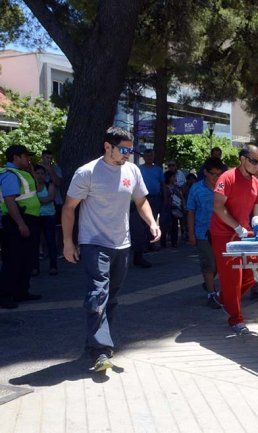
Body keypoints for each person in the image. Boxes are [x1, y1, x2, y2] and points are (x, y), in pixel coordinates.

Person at [62, 127, 161, 372]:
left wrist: (152, 222)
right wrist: (67, 242)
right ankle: (101, 350)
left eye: (130, 149)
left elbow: (141, 200)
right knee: (98, 294)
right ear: (108, 146)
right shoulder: (87, 173)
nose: (128, 154)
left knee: (110, 297)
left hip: (122, 244)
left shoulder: (132, 170)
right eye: (124, 149)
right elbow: (68, 208)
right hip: (94, 242)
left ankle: (95, 341)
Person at [210, 144, 258, 335]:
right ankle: (236, 319)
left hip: (244, 234)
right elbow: (218, 207)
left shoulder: (256, 183)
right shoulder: (226, 178)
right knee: (232, 279)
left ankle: (223, 297)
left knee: (253, 273)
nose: (257, 166)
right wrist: (236, 226)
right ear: (242, 159)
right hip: (224, 234)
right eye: (253, 161)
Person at [0, 145, 42, 309]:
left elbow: (37, 189)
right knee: (13, 260)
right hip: (18, 221)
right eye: (25, 156)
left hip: (27, 220)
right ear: (15, 157)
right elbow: (10, 201)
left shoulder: (23, 173)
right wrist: (21, 224)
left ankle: (21, 292)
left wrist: (32, 171)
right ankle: (4, 295)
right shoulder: (10, 175)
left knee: (26, 259)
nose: (28, 159)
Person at [187, 158, 227, 309]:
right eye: (212, 173)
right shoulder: (196, 188)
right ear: (205, 172)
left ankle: (209, 284)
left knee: (220, 264)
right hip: (203, 233)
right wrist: (191, 234)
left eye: (218, 174)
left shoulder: (224, 187)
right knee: (208, 264)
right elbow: (190, 211)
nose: (215, 177)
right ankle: (211, 294)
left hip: (222, 232)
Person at [137, 149, 163, 261]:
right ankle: (144, 245)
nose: (149, 158)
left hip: (155, 198)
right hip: (142, 198)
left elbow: (162, 184)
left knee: (153, 221)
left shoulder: (158, 169)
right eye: (147, 156)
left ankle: (152, 243)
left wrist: (165, 198)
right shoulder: (139, 169)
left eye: (151, 155)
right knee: (142, 222)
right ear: (144, 157)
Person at [32, 164, 58, 276]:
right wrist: (42, 200)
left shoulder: (49, 185)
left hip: (49, 216)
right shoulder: (31, 186)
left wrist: (36, 200)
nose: (40, 175)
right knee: (34, 242)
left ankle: (53, 266)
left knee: (50, 241)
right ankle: (35, 267)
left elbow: (50, 198)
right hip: (35, 216)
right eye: (37, 173)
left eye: (42, 173)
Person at [161, 171, 184, 248]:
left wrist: (182, 205)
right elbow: (165, 197)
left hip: (175, 207)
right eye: (173, 177)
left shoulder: (176, 186)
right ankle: (163, 242)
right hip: (167, 207)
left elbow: (180, 196)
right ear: (169, 177)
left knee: (175, 225)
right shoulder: (164, 186)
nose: (174, 178)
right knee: (165, 225)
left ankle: (174, 242)